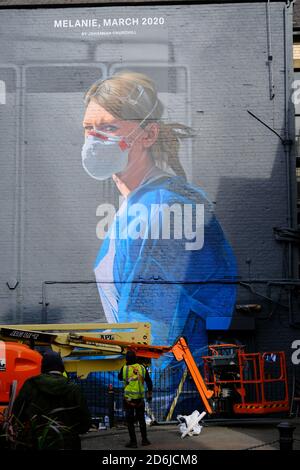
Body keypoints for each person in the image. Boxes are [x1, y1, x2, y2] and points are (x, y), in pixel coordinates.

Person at [82, 71, 237, 368]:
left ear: (148, 135)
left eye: (109, 127)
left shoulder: (165, 205)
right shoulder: (138, 203)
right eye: (88, 128)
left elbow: (151, 328)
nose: (94, 139)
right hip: (162, 375)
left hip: (174, 384)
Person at [12, 350, 91, 450]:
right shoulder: (73, 388)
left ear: (43, 367)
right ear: (61, 367)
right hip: (67, 443)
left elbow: (17, 415)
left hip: (37, 442)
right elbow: (85, 421)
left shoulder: (31, 384)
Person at [118, 350, 152, 448]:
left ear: (126, 359)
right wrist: (149, 394)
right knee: (141, 419)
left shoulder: (124, 369)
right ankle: (144, 440)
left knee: (130, 421)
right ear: (136, 358)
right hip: (140, 400)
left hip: (128, 400)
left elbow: (119, 377)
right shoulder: (142, 368)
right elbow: (149, 382)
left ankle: (133, 442)